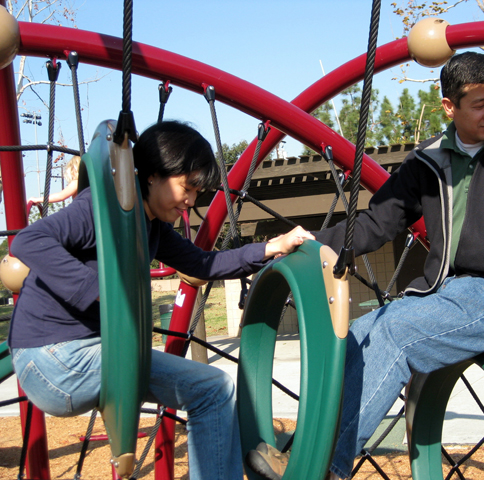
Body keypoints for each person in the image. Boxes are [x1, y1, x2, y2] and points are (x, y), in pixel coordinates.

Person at [245, 52, 484, 480]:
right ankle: (307, 452)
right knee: (358, 334)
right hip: (447, 291)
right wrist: (309, 243)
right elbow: (377, 223)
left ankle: (324, 467)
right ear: (449, 107)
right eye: (480, 104)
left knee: (396, 333)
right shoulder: (428, 160)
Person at [8, 121, 315, 480]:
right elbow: (29, 242)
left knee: (213, 389)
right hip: (52, 360)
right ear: (153, 175)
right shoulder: (100, 208)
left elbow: (203, 262)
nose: (190, 201)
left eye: (197, 192)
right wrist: (97, 291)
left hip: (90, 352)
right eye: (186, 187)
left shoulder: (151, 225)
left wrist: (272, 246)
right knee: (210, 389)